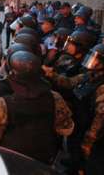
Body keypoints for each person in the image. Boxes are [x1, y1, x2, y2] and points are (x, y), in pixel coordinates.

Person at [0, 51, 74, 164]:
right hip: (44, 158)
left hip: (11, 158)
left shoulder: (4, 103)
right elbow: (66, 129)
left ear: (13, 74)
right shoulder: (55, 98)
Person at [43, 44, 104, 174]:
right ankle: (73, 163)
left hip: (88, 125)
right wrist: (52, 74)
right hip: (80, 118)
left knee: (85, 157)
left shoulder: (102, 86)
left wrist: (89, 140)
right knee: (73, 146)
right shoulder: (90, 75)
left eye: (97, 59)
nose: (93, 61)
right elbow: (70, 82)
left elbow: (100, 117)